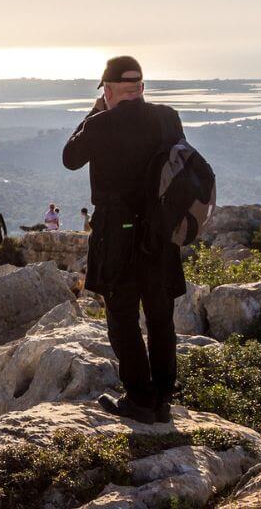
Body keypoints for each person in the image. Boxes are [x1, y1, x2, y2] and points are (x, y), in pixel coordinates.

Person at [63, 55, 186, 424]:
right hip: (160, 234)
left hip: (118, 235)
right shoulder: (168, 117)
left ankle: (139, 400)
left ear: (110, 90)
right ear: (142, 88)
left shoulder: (101, 123)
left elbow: (70, 157)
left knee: (122, 318)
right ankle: (163, 398)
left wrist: (93, 111)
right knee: (161, 316)